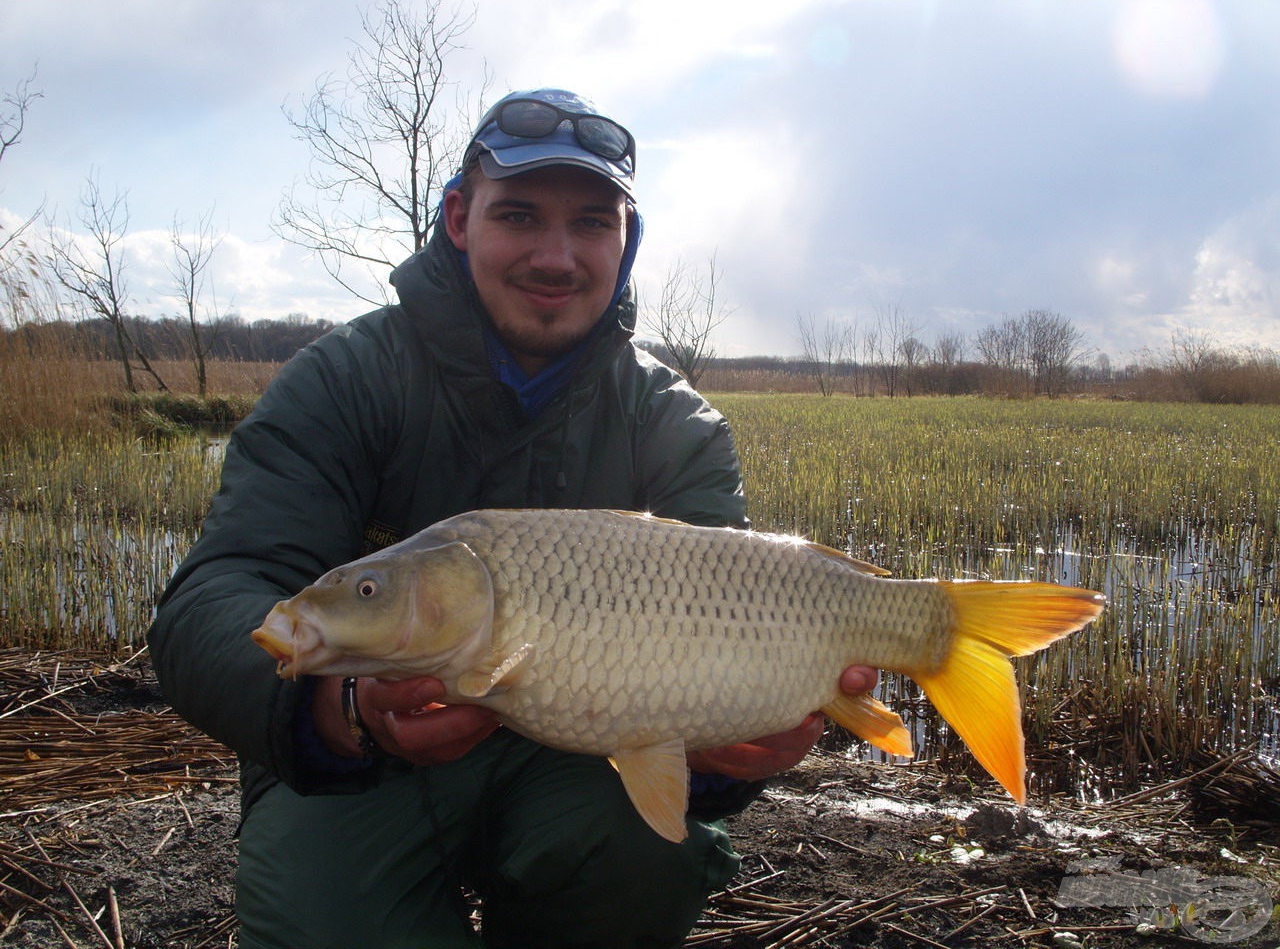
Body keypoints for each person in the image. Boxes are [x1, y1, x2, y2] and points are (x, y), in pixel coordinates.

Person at [149, 87, 878, 949]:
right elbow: (211, 602)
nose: (557, 256)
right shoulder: (345, 380)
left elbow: (725, 676)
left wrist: (730, 754)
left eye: (594, 224)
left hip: (580, 768)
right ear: (460, 218)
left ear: (626, 241)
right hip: (361, 773)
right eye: (521, 215)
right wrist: (338, 709)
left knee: (653, 852)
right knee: (326, 921)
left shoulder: (676, 425)